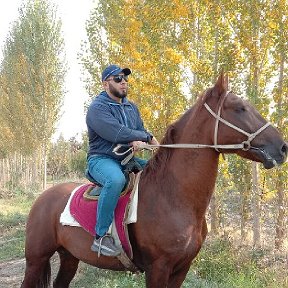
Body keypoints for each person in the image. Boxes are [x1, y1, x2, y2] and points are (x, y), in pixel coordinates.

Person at [86, 64, 159, 257]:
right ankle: (100, 237)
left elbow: (140, 130)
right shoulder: (97, 109)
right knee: (116, 180)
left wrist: (148, 141)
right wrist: (143, 137)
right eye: (117, 79)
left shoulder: (131, 107)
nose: (123, 81)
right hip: (102, 160)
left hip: (128, 159)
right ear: (105, 84)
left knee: (160, 170)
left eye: (125, 78)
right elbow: (116, 132)